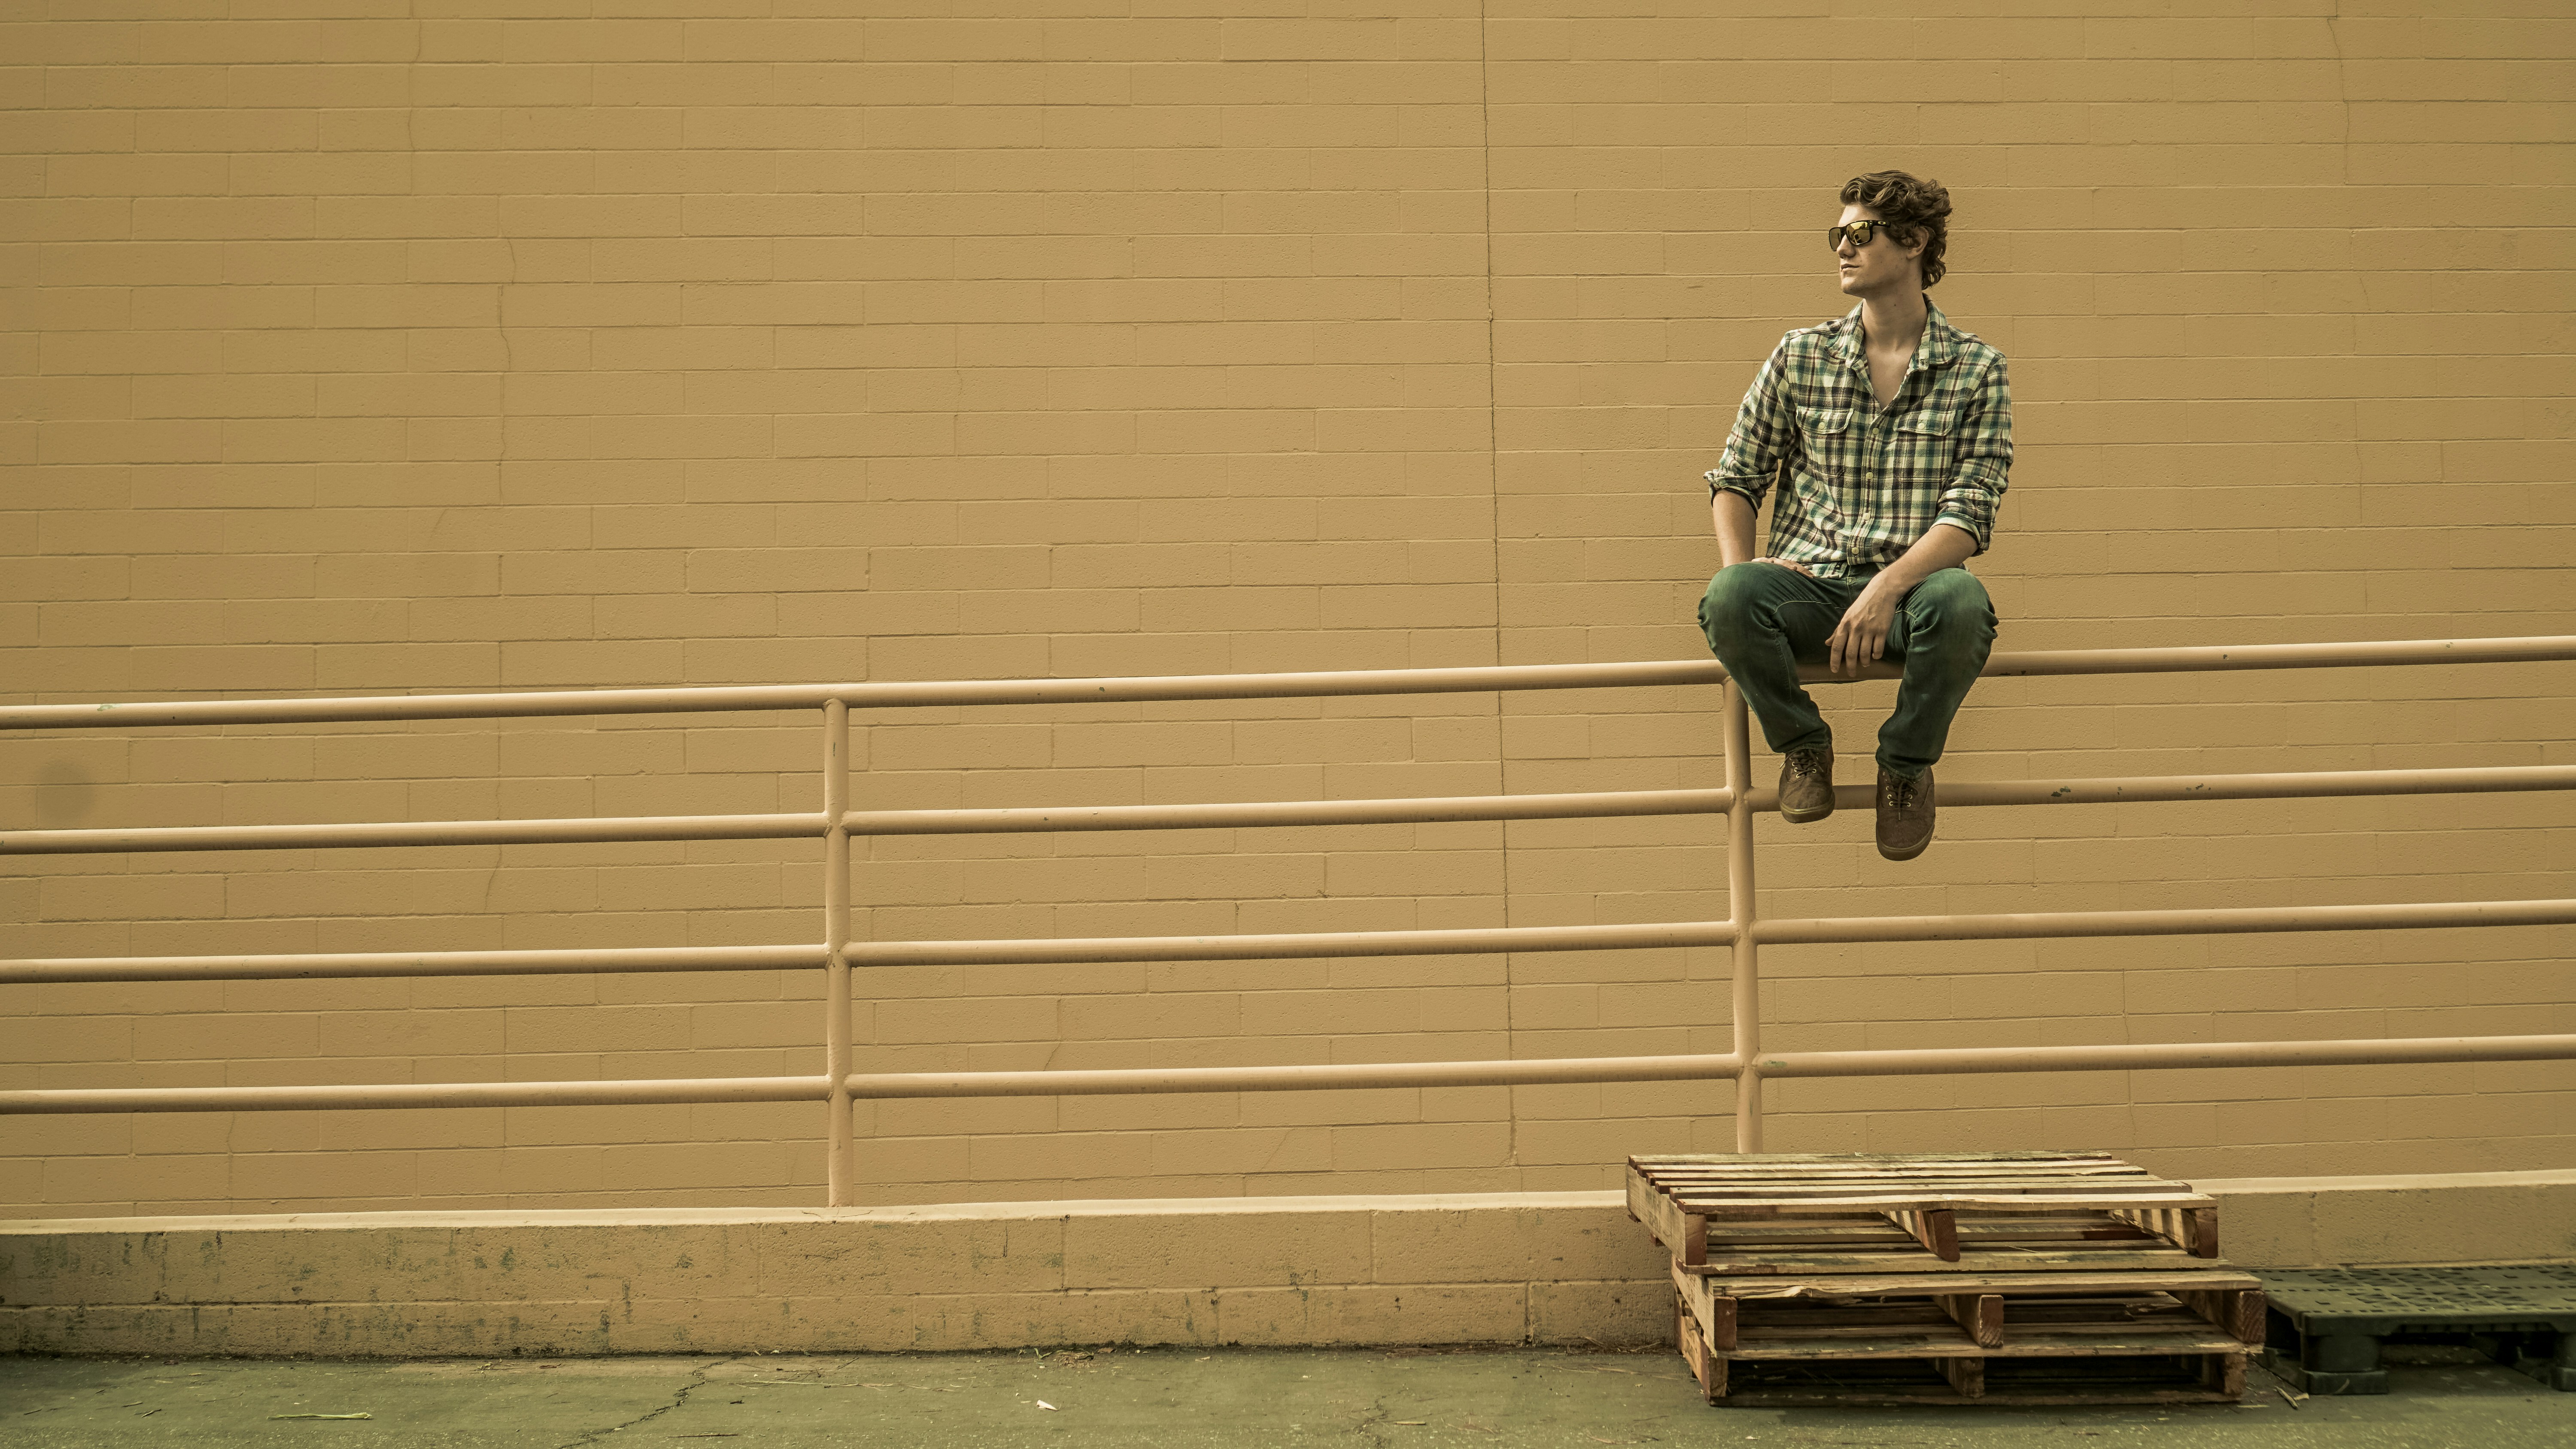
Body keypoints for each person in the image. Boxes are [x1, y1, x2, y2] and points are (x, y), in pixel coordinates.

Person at [1696, 171, 2012, 861]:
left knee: (1962, 602)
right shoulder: (1801, 355)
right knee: (1729, 596)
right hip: (1809, 586)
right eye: (1836, 234)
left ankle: (1904, 766)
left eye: (1860, 233)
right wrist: (1744, 566)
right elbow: (1736, 478)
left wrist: (1885, 589)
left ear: (1914, 242)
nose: (1843, 246)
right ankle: (1804, 749)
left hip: (1908, 601)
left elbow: (1970, 513)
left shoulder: (1976, 369)